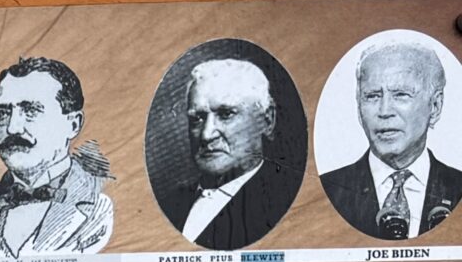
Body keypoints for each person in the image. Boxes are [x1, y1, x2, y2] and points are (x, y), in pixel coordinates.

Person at [0, 57, 114, 258]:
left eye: (31, 110)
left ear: (73, 125)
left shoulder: (99, 206)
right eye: (2, 113)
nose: (12, 128)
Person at [320, 39, 461, 239]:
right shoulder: (327, 191)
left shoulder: (457, 188)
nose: (384, 111)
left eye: (401, 95)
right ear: (358, 107)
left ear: (435, 106)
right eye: (372, 96)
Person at [167, 56, 299, 250]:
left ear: (267, 120)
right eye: (197, 119)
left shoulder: (285, 204)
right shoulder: (171, 203)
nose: (206, 135)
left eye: (226, 114)